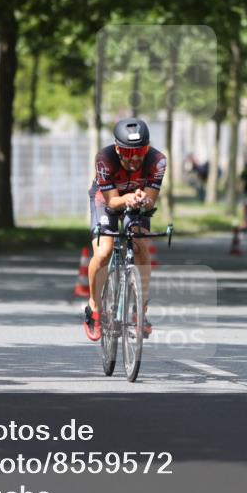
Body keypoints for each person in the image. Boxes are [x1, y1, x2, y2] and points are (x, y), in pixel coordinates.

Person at [84, 118, 166, 342]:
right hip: (106, 200)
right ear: (118, 149)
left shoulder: (158, 161)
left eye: (141, 151)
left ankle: (141, 311)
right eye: (129, 153)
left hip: (135, 202)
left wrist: (143, 200)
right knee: (104, 251)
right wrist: (127, 198)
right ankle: (94, 307)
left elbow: (151, 200)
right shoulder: (104, 159)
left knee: (140, 245)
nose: (136, 158)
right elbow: (112, 203)